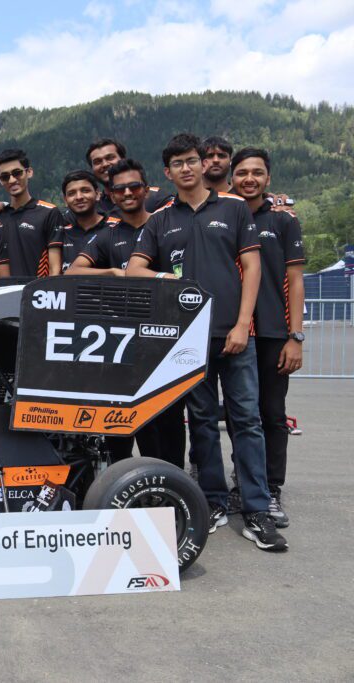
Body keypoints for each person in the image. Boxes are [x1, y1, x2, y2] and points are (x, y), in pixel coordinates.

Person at [127, 133, 287, 552]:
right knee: (200, 424)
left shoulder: (233, 208)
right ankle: (213, 502)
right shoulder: (160, 218)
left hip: (234, 336)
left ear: (203, 164)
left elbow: (252, 267)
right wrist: (167, 277)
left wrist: (242, 324)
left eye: (192, 160)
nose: (186, 168)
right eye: (178, 162)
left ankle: (255, 508)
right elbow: (134, 270)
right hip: (187, 340)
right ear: (168, 172)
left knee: (247, 422)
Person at [67, 158, 186, 468]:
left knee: (169, 424)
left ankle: (171, 489)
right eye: (120, 189)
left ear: (146, 189)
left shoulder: (167, 224)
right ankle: (122, 488)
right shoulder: (108, 234)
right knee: (120, 428)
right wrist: (112, 273)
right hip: (120, 346)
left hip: (166, 340)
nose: (128, 193)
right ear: (111, 194)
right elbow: (73, 272)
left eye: (134, 186)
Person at [231, 147, 305, 527]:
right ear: (231, 177)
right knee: (240, 414)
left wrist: (296, 337)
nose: (249, 179)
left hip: (275, 333)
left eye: (256, 173)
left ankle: (272, 489)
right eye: (242, 172)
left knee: (272, 414)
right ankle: (242, 483)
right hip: (234, 331)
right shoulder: (224, 215)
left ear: (268, 179)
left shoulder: (283, 219)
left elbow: (294, 279)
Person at [0, 149, 63, 278]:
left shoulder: (49, 213)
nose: (12, 180)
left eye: (17, 173)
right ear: (0, 180)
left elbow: (55, 269)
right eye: (5, 176)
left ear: (29, 172)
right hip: (4, 295)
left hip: (36, 294)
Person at [84, 138, 171, 214]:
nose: (104, 164)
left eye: (110, 158)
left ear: (123, 159)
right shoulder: (93, 210)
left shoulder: (155, 198)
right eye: (97, 162)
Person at [56, 170, 118, 272]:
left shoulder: (116, 227)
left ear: (97, 194)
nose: (79, 197)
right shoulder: (61, 234)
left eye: (85, 191)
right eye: (72, 193)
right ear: (65, 200)